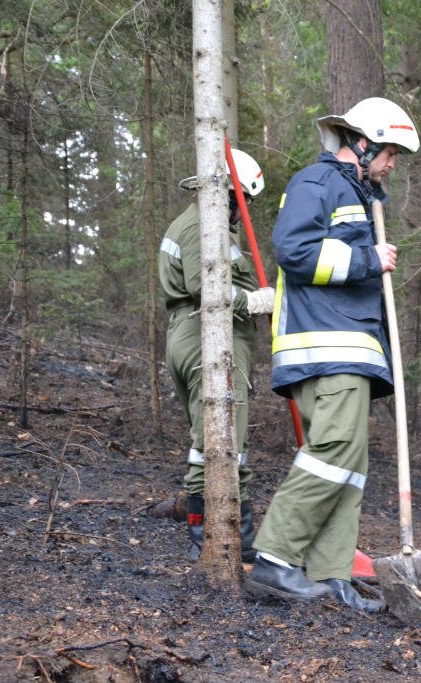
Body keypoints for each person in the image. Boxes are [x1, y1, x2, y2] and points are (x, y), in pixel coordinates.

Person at [243, 97, 419, 613]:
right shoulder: (317, 182)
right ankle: (275, 558)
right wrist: (367, 259)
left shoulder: (358, 195)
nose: (392, 164)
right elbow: (293, 250)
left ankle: (330, 573)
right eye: (390, 153)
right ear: (362, 143)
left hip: (351, 349)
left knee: (350, 465)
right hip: (324, 346)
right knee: (334, 451)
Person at [158, 148, 274, 561]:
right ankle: (208, 538)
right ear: (227, 193)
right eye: (244, 201)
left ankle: (233, 537)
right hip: (204, 337)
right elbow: (203, 287)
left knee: (220, 440)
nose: (245, 212)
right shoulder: (201, 228)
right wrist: (253, 302)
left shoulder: (208, 227)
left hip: (195, 336)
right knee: (219, 442)